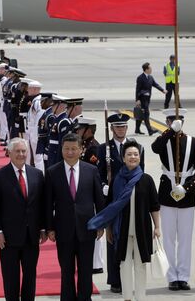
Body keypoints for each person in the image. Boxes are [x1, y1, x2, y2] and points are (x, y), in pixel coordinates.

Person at [88, 140, 161, 301]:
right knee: (124, 264)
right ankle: (127, 297)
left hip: (142, 229)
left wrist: (157, 227)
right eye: (129, 154)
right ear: (123, 157)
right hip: (121, 229)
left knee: (140, 265)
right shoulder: (117, 179)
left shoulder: (146, 180)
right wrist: (107, 229)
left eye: (136, 154)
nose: (132, 157)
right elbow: (110, 207)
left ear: (140, 157)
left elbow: (154, 206)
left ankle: (140, 297)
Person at [45, 133, 105, 301]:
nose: (70, 152)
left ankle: (85, 298)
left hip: (87, 229)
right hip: (63, 230)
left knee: (86, 270)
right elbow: (48, 203)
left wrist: (101, 224)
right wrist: (49, 227)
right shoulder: (52, 172)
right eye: (66, 149)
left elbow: (99, 199)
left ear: (81, 149)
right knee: (66, 271)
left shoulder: (91, 170)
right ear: (62, 149)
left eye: (73, 149)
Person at [151, 109, 195, 291]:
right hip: (167, 192)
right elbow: (155, 148)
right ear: (167, 122)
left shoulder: (193, 141)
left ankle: (183, 275)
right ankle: (171, 277)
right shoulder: (163, 140)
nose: (176, 123)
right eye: (172, 121)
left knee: (185, 238)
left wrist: (187, 187)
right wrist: (169, 131)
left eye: (179, 120)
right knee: (168, 238)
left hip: (186, 193)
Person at [0, 138, 46, 301]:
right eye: (17, 151)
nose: (21, 154)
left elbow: (41, 204)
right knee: (10, 278)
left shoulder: (37, 174)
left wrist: (42, 228)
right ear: (9, 153)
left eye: (23, 151)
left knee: (30, 277)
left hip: (31, 236)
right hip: (8, 237)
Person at [96, 113, 145, 293]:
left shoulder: (136, 147)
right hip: (111, 197)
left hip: (130, 197)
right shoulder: (104, 149)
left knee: (129, 237)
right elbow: (99, 172)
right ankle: (115, 279)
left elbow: (141, 171)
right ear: (112, 129)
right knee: (112, 238)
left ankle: (128, 278)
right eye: (117, 127)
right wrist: (103, 185)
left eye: (123, 127)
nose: (120, 130)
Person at [75, 117, 105, 275]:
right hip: (82, 191)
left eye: (81, 129)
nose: (78, 131)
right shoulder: (85, 146)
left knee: (95, 226)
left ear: (89, 130)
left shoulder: (94, 148)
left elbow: (94, 174)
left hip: (92, 192)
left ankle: (96, 263)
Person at [135, 62, 166, 135]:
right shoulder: (140, 78)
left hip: (147, 99)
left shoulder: (150, 77)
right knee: (146, 114)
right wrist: (137, 99)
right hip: (142, 98)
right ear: (146, 69)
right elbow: (137, 89)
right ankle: (150, 130)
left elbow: (155, 84)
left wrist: (162, 90)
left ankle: (137, 129)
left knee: (141, 113)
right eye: (150, 68)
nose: (151, 69)